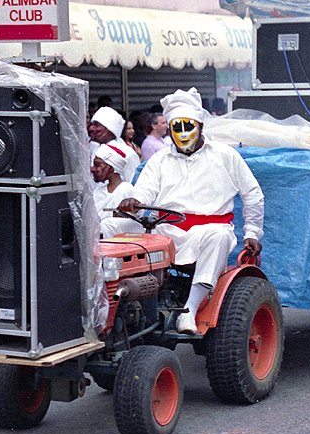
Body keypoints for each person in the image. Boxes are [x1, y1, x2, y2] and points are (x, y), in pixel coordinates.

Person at [103, 88, 264, 335]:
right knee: (107, 227)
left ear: (200, 125)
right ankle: (103, 304)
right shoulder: (159, 160)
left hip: (209, 232)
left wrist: (252, 232)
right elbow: (144, 192)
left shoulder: (225, 155)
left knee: (220, 237)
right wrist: (134, 201)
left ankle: (189, 311)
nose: (183, 134)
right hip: (165, 231)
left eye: (188, 126)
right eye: (177, 128)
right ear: (170, 130)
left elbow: (253, 194)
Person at [89, 106, 140, 183]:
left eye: (96, 125)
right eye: (92, 124)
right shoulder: (94, 149)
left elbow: (133, 185)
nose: (91, 128)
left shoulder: (127, 153)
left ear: (109, 129)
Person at [92, 144, 133, 221]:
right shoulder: (97, 192)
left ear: (110, 168)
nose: (92, 169)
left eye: (97, 165)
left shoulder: (128, 190)